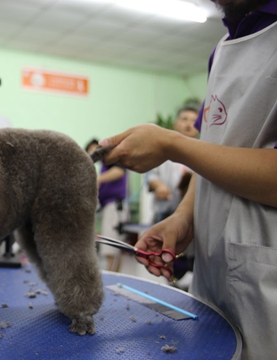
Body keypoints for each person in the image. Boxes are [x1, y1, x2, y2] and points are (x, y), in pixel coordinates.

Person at [98, 1, 277, 358]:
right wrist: (184, 217)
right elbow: (216, 148)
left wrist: (171, 144)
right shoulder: (224, 50)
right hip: (214, 275)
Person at [148, 103, 200, 223]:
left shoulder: (202, 154)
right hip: (164, 214)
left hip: (190, 217)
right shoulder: (162, 150)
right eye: (184, 119)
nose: (188, 124)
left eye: (193, 120)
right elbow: (151, 177)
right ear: (175, 123)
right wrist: (159, 186)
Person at [85, 139, 128, 272]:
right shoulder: (102, 167)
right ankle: (114, 277)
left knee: (111, 247)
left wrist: (97, 179)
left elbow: (119, 172)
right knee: (112, 247)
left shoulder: (111, 160)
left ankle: (112, 279)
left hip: (114, 206)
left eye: (94, 149)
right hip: (107, 207)